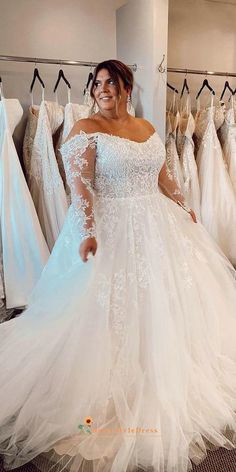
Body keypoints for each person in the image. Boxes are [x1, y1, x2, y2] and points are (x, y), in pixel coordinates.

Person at [0, 59, 236, 472]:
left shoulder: (146, 129)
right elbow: (82, 185)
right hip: (109, 226)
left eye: (111, 82)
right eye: (98, 83)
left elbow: (161, 175)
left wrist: (182, 203)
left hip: (157, 224)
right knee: (108, 310)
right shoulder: (85, 130)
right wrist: (88, 230)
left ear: (128, 88)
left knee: (167, 302)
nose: (102, 89)